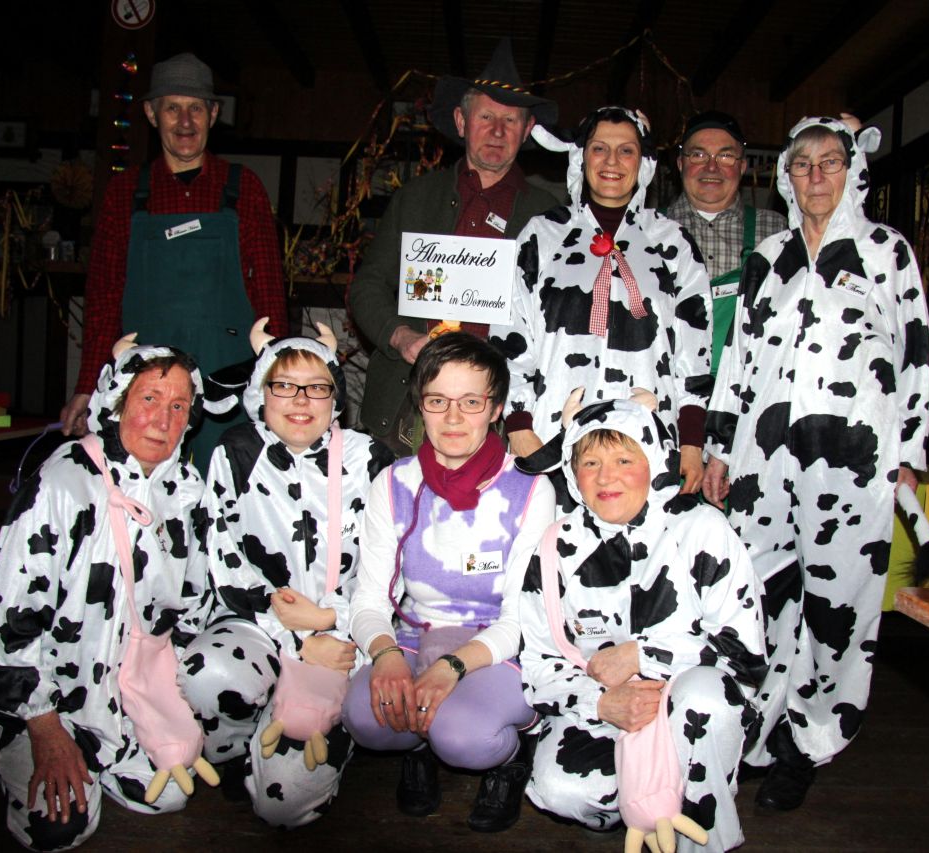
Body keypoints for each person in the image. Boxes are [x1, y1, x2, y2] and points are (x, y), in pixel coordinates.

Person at [702, 115, 929, 811]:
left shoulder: (886, 252)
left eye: (830, 162)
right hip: (764, 458)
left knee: (838, 606)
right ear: (785, 176)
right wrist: (720, 445)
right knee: (759, 593)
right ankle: (757, 727)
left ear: (853, 171)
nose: (815, 176)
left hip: (854, 462)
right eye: (802, 164)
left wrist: (910, 452)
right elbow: (737, 359)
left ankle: (808, 739)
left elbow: (917, 354)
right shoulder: (766, 257)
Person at [0, 339, 213, 850]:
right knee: (57, 828)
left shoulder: (185, 489)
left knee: (169, 794)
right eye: (149, 399)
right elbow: (4, 619)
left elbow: (192, 604)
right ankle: (14, 747)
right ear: (116, 402)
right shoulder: (64, 482)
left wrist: (172, 699)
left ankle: (106, 755)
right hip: (48, 703)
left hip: (129, 696)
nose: (163, 420)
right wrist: (44, 727)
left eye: (179, 406)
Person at [517, 391, 766, 853]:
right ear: (572, 472)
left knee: (705, 701)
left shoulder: (702, 529)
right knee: (560, 788)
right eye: (590, 462)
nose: (605, 477)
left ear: (653, 461)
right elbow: (536, 663)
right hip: (606, 708)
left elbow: (744, 654)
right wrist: (600, 703)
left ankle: (701, 830)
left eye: (624, 460)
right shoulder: (555, 548)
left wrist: (641, 656)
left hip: (690, 707)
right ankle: (640, 802)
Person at [178, 321, 394, 827]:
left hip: (342, 637)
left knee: (283, 805)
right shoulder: (235, 452)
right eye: (284, 385)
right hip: (257, 624)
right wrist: (295, 638)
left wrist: (331, 621)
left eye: (316, 387)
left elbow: (390, 571)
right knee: (206, 674)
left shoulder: (370, 459)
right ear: (261, 393)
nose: (300, 400)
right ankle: (238, 747)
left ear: (335, 398)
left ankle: (303, 734)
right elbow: (223, 560)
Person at [342, 332, 555, 831]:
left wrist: (452, 666)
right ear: (421, 404)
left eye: (471, 402)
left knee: (464, 738)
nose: (453, 418)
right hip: (418, 634)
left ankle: (512, 755)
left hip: (500, 644)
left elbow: (522, 617)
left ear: (496, 408)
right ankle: (419, 744)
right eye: (437, 401)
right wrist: (386, 655)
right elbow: (369, 598)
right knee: (365, 718)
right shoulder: (393, 483)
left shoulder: (530, 488)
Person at [59, 52, 288, 474]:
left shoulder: (244, 189)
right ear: (151, 114)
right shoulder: (125, 194)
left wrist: (282, 384)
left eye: (196, 108)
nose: (185, 122)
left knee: (228, 493)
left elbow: (270, 298)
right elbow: (104, 298)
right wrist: (86, 386)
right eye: (172, 109)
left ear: (213, 114)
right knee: (143, 494)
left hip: (228, 387)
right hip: (148, 387)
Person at [348, 37, 559, 456]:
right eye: (486, 117)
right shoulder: (415, 199)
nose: (497, 131)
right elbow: (367, 286)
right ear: (462, 121)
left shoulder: (551, 216)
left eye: (511, 120)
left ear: (527, 129)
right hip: (408, 405)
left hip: (502, 413)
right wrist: (401, 337)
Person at [490, 106, 712, 498]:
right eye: (599, 149)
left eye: (626, 150)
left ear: (643, 163)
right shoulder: (544, 235)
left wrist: (692, 442)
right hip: (554, 443)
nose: (612, 161)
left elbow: (694, 354)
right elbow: (510, 334)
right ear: (581, 157)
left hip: (647, 445)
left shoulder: (672, 242)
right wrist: (520, 425)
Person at [662, 111, 787, 373]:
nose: (711, 167)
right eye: (698, 155)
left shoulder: (778, 232)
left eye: (725, 156)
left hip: (748, 388)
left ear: (742, 166)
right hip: (665, 388)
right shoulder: (647, 230)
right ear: (681, 163)